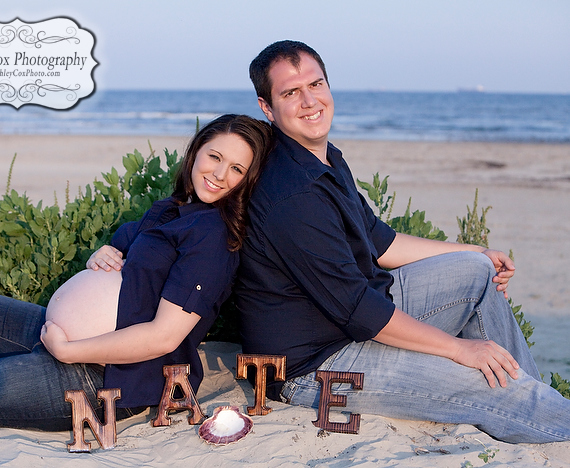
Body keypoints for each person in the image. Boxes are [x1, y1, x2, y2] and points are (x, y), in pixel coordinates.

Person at [235, 40, 570, 444]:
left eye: (316, 84)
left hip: (357, 320)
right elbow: (360, 311)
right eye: (291, 93)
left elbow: (382, 242)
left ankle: (536, 398)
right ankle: (545, 413)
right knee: (481, 380)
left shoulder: (321, 158)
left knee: (477, 273)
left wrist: (476, 251)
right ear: (267, 107)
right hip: (316, 366)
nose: (309, 101)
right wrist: (460, 350)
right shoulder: (293, 195)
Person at [0, 113, 273, 435]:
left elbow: (163, 337)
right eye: (215, 157)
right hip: (56, 339)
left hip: (100, 378)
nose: (219, 174)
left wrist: (69, 352)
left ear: (247, 180)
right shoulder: (175, 207)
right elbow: (132, 249)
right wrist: (106, 251)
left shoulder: (213, 237)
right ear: (197, 151)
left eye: (237, 169)